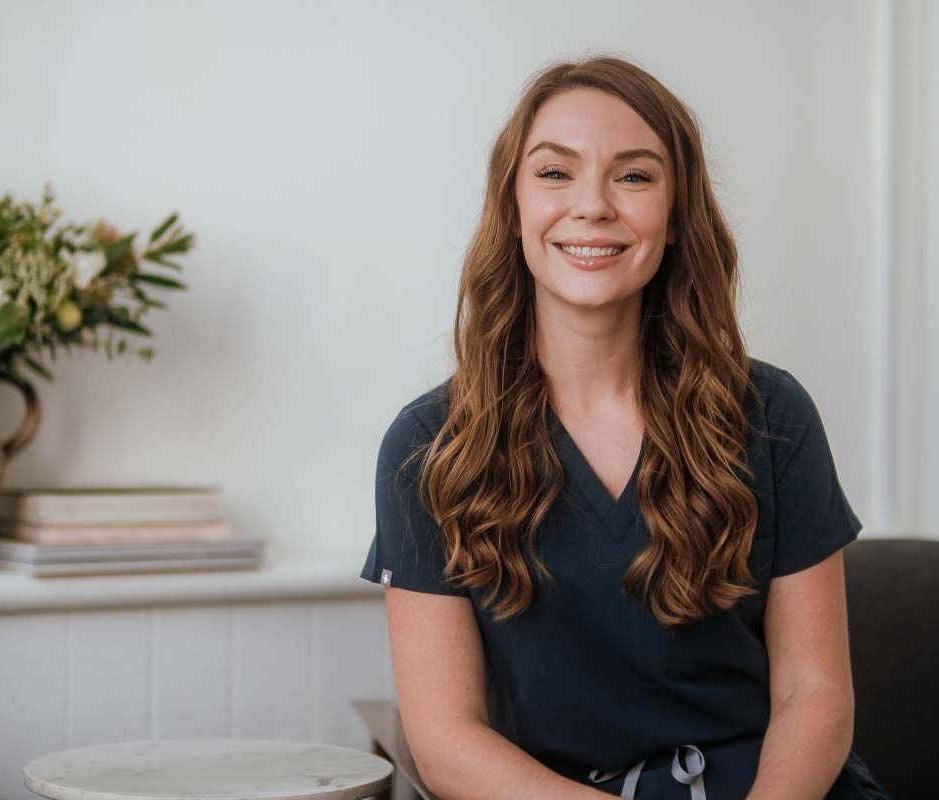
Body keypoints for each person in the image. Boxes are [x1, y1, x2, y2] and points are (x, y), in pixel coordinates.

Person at [359, 56, 890, 800]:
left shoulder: (772, 416)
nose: (593, 206)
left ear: (675, 218)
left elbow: (816, 693)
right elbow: (448, 742)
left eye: (634, 176)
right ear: (512, 208)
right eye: (554, 173)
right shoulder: (426, 447)